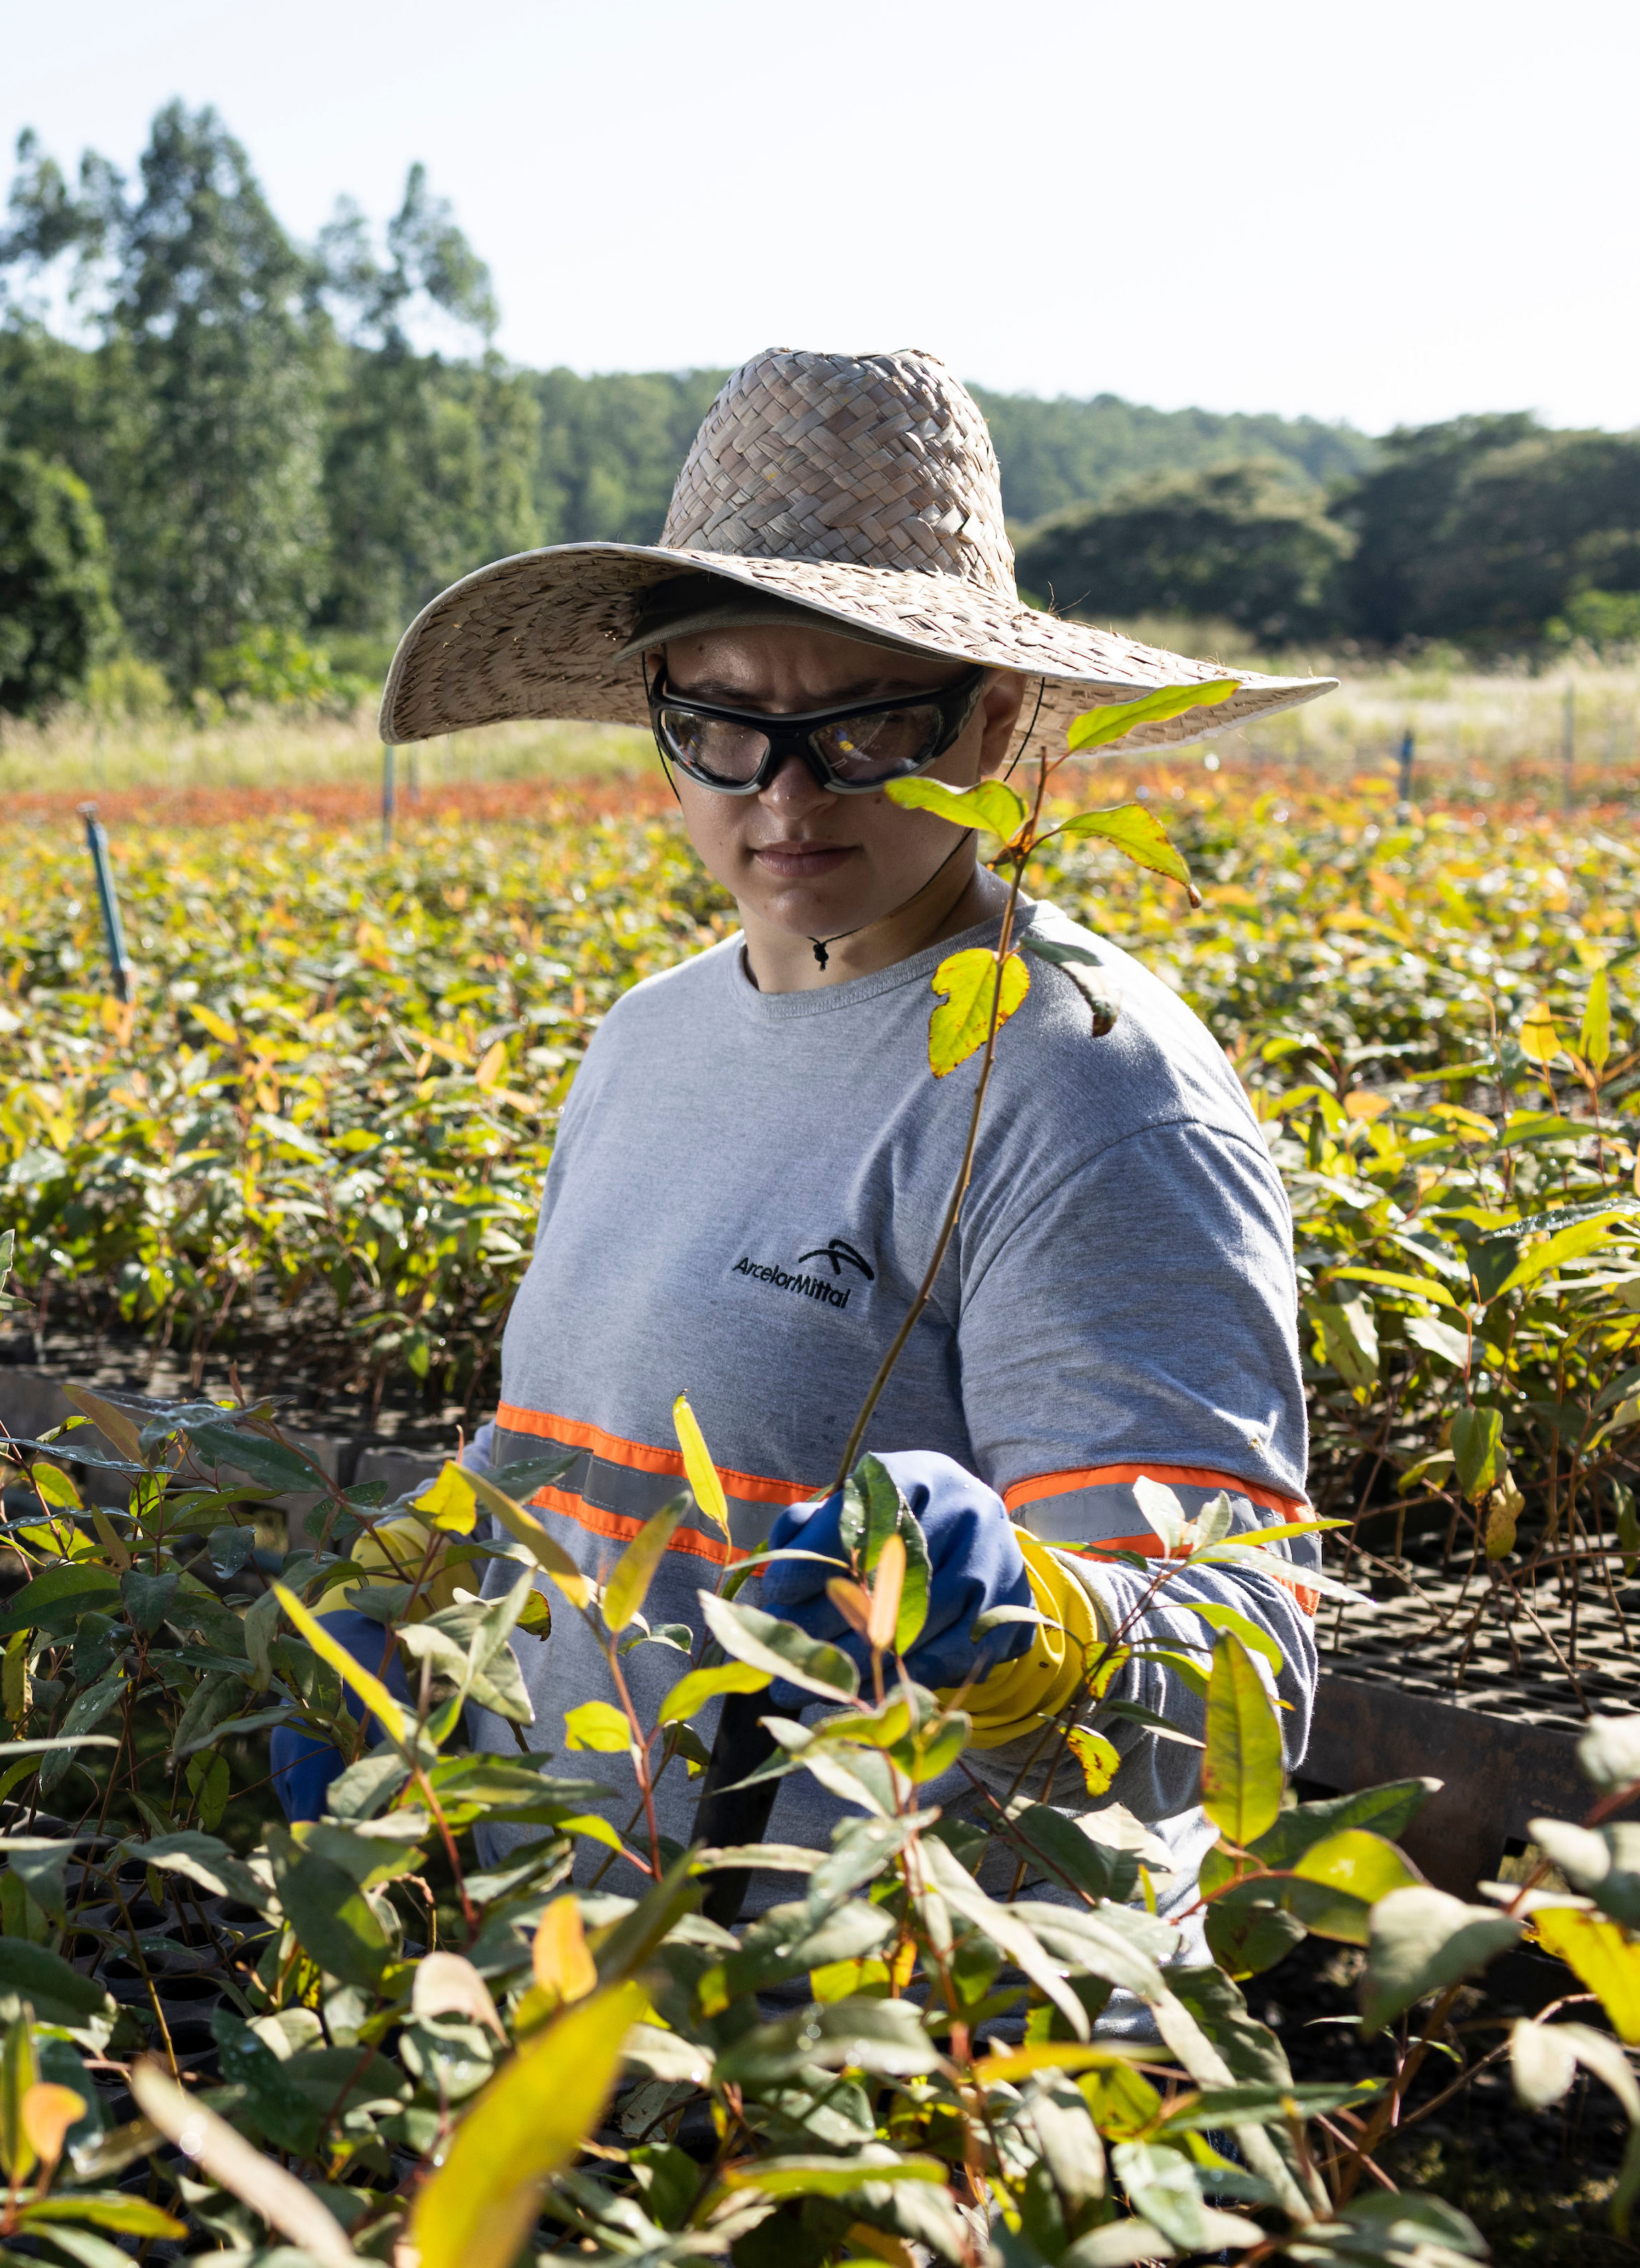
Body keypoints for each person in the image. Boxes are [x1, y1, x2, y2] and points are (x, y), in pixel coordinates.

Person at [297, 348, 1336, 1907]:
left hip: (913, 2041)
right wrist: (409, 1578)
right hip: (609, 1978)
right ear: (660, 718)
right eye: (723, 722)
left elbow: (1245, 1675)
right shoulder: (647, 1037)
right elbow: (571, 1436)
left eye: (864, 727)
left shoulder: (1091, 1087)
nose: (783, 794)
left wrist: (1026, 1622)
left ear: (992, 727)